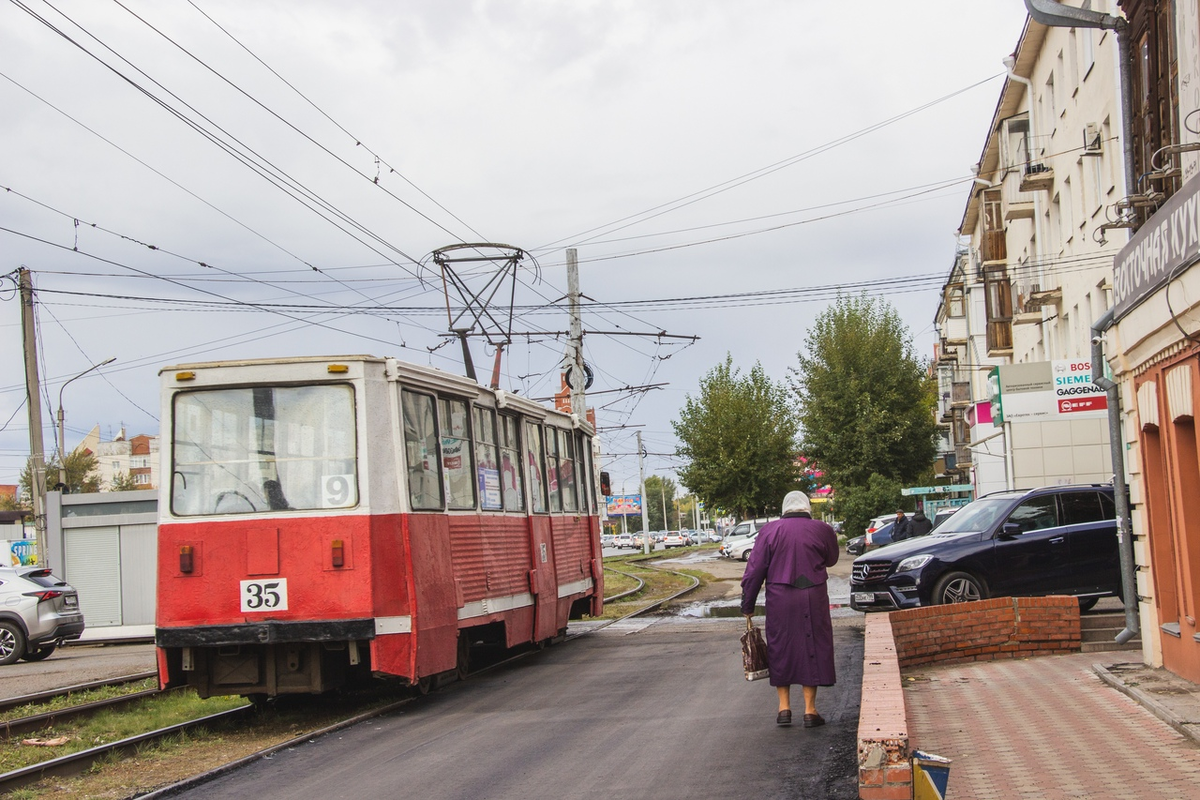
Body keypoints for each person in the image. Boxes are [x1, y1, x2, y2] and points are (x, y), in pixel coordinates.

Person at [740, 491, 839, 727]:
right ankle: (810, 710)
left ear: (784, 508)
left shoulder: (769, 531)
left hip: (779, 598)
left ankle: (784, 709)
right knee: (811, 645)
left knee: (780, 647)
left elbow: (754, 570)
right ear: (806, 507)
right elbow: (832, 559)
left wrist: (748, 605)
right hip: (813, 595)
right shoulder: (822, 529)